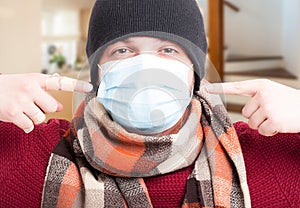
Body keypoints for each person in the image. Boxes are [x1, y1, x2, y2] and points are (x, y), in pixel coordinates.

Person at [0, 0, 299, 208]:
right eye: (122, 50)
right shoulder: (31, 154)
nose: (145, 67)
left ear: (193, 73)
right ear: (98, 72)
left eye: (168, 49)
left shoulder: (265, 158)